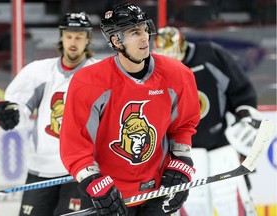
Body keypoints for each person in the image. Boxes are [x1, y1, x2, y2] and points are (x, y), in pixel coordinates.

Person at [60, 3, 200, 216]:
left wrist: (181, 162)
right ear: (116, 40)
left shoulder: (178, 74)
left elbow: (183, 126)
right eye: (135, 32)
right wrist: (93, 181)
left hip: (156, 191)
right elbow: (75, 145)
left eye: (145, 29)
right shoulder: (88, 82)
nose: (145, 37)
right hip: (109, 194)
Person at [0, 11, 99, 216]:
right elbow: (17, 108)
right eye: (68, 36)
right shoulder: (39, 71)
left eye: (79, 36)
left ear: (87, 39)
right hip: (40, 169)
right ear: (61, 38)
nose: (73, 42)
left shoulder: (100, 74)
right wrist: (2, 113)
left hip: (80, 171)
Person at [153, 26, 262, 216]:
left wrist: (246, 116)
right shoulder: (155, 72)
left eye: (173, 53)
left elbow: (241, 90)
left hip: (221, 144)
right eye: (164, 55)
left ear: (183, 46)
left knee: (231, 201)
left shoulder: (210, 55)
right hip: (185, 152)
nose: (170, 58)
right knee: (193, 204)